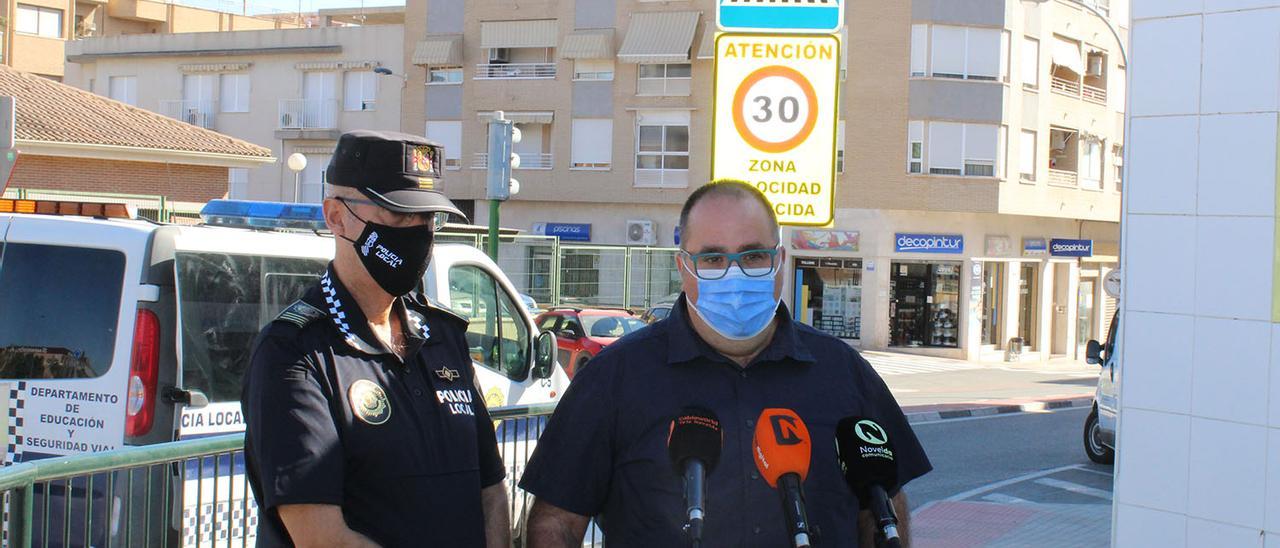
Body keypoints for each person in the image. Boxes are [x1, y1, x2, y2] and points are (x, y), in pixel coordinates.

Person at [519, 180, 931, 547]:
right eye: (713, 259)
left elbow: (883, 504)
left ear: (779, 262)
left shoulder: (844, 371)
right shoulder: (615, 378)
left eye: (753, 256)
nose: (734, 275)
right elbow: (556, 521)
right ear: (683, 267)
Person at [241, 130, 509, 547]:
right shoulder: (295, 353)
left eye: (426, 219)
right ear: (336, 216)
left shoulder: (443, 337)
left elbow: (490, 490)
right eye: (399, 216)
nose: (418, 233)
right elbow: (322, 538)